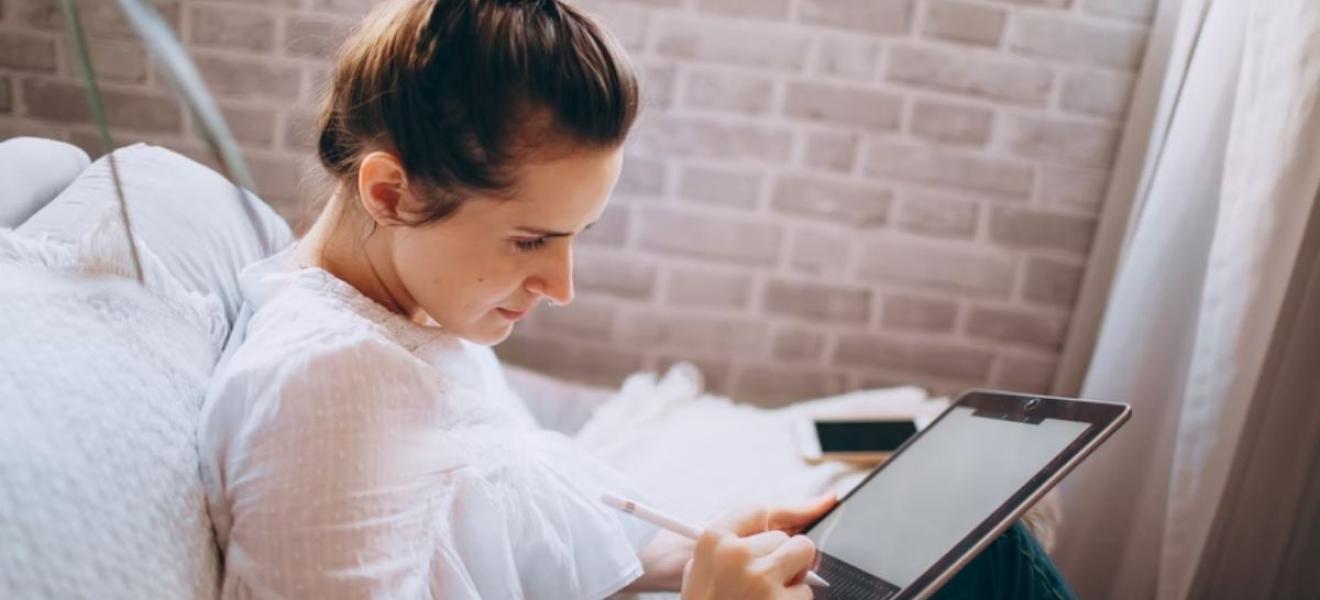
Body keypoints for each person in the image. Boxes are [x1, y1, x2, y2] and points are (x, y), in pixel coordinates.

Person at [199, 0, 1077, 598]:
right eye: (530, 240)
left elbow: (530, 534)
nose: (561, 287)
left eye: (574, 238)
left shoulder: (408, 319)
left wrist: (697, 551)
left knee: (968, 542)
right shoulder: (329, 386)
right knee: (989, 560)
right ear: (390, 193)